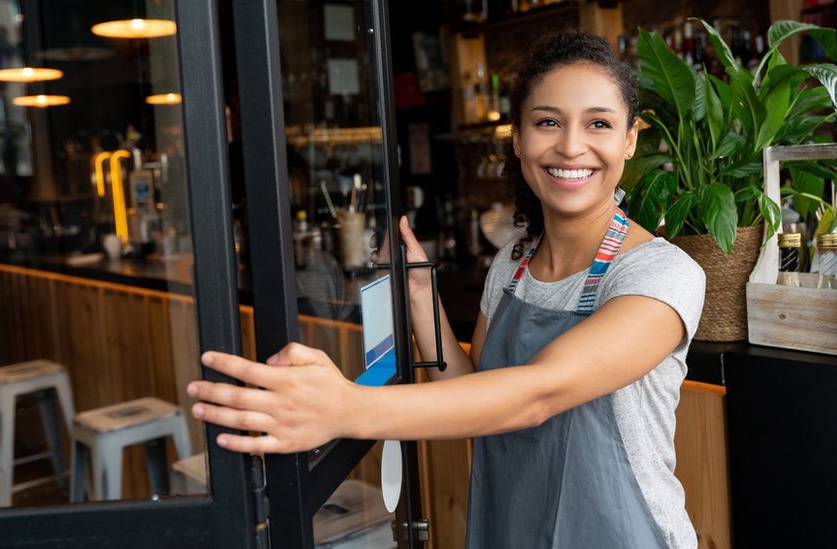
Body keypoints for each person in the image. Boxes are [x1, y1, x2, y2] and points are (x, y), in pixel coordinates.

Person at [186, 27, 705, 549]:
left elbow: (538, 393)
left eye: (598, 123)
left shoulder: (658, 275)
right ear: (519, 138)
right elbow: (476, 390)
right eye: (548, 121)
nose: (571, 146)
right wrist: (418, 294)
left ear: (630, 139)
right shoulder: (513, 264)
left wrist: (345, 409)